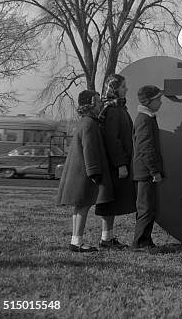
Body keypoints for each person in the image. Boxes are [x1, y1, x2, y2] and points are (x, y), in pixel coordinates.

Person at [57, 90, 113, 252]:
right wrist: (94, 172)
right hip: (85, 173)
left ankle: (75, 240)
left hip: (79, 171)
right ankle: (77, 242)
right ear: (91, 105)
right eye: (97, 101)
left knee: (79, 207)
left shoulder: (84, 122)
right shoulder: (90, 124)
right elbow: (89, 150)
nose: (101, 104)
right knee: (83, 206)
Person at [94, 73, 137, 249]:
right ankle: (106, 239)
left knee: (112, 202)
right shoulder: (111, 110)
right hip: (114, 165)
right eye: (123, 86)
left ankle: (108, 238)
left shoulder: (119, 108)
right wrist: (120, 164)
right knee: (109, 202)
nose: (126, 89)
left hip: (118, 163)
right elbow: (113, 139)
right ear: (114, 89)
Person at [131, 85, 165, 252]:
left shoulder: (148, 118)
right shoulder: (144, 120)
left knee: (149, 207)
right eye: (158, 99)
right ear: (149, 101)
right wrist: (154, 171)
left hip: (145, 172)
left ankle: (146, 239)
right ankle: (139, 242)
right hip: (145, 172)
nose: (160, 102)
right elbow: (146, 148)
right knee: (145, 208)